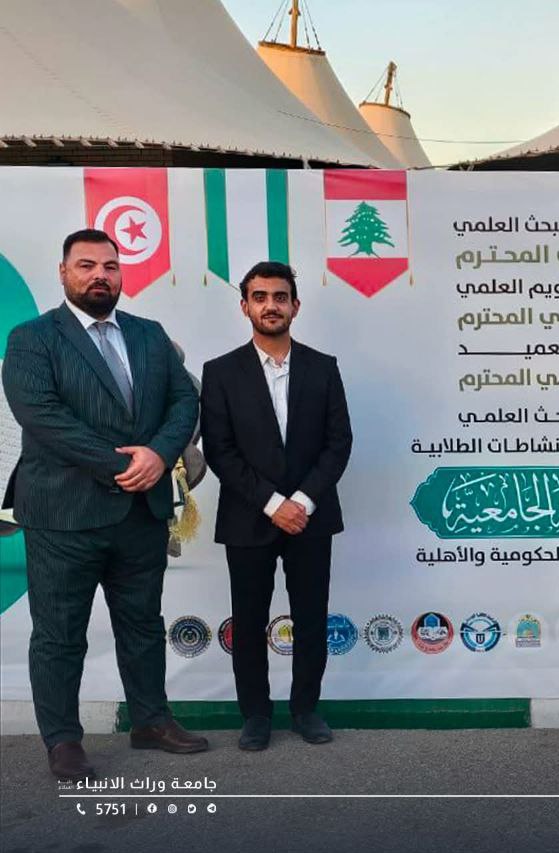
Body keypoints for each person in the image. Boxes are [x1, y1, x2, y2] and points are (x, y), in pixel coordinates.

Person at [2, 229, 207, 780]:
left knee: (143, 625)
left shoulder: (149, 334)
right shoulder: (32, 339)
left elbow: (184, 400)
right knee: (59, 634)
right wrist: (124, 465)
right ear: (63, 272)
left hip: (141, 512)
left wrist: (160, 455)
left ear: (121, 274)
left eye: (110, 266)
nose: (100, 275)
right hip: (63, 516)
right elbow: (41, 416)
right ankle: (63, 741)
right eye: (87, 265)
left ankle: (151, 721)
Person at [200, 261, 352, 751]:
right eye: (260, 297)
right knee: (248, 621)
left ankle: (306, 710)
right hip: (249, 516)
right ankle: (256, 716)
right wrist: (272, 503)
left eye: (280, 297)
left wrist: (301, 501)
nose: (271, 305)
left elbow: (338, 443)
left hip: (310, 517)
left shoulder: (323, 367)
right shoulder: (220, 372)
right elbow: (220, 450)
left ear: (295, 306)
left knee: (311, 617)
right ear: (245, 306)